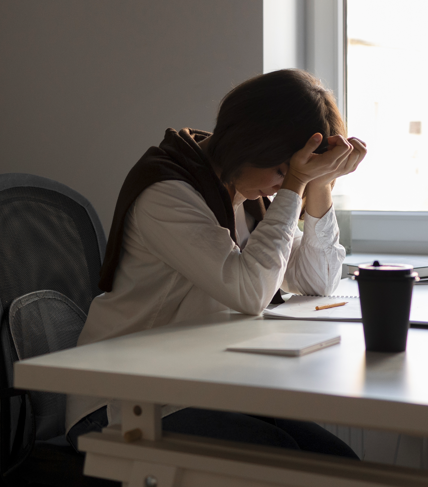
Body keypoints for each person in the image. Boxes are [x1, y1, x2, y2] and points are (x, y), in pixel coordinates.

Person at [66, 69, 367, 459]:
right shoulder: (168, 192)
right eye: (281, 169)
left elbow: (316, 281)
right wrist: (294, 187)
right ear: (251, 142)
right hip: (122, 401)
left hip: (197, 386)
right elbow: (249, 292)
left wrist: (320, 183)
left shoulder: (248, 195)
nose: (282, 184)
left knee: (337, 462)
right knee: (285, 460)